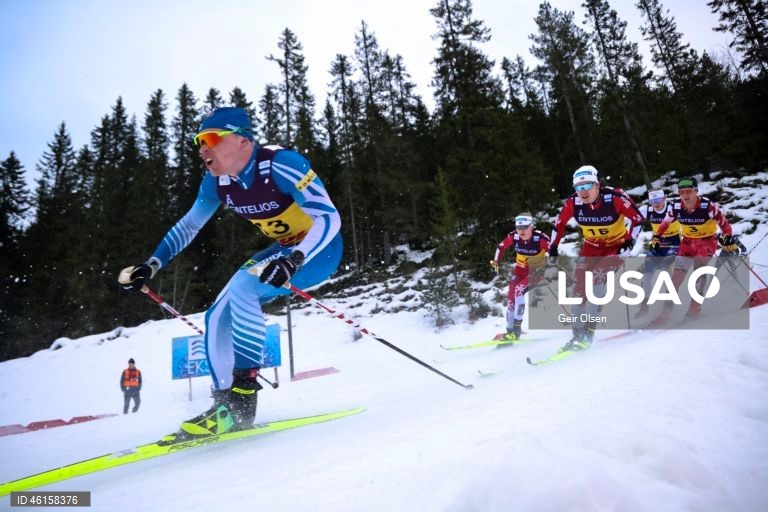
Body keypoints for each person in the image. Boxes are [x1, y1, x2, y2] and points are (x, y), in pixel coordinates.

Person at [118, 107, 342, 440]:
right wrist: (151, 264)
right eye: (199, 141)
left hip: (318, 250)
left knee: (242, 287)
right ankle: (224, 404)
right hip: (284, 250)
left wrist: (295, 259)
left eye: (211, 139)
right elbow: (190, 224)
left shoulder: (282, 164)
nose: (202, 148)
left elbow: (329, 218)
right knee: (216, 316)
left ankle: (243, 398)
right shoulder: (217, 183)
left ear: (241, 140)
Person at [549, 165, 644, 349]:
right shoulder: (573, 203)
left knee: (597, 279)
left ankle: (588, 333)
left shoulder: (615, 198)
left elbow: (638, 219)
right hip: (591, 248)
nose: (583, 192)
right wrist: (553, 246)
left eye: (587, 186)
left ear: (597, 185)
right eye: (578, 187)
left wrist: (630, 241)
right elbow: (559, 225)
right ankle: (577, 335)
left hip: (616, 248)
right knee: (579, 289)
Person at [650, 176, 739, 325]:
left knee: (699, 272)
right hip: (687, 243)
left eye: (689, 191)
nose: (685, 195)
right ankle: (664, 314)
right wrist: (657, 236)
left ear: (696, 192)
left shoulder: (708, 207)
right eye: (682, 192)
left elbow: (725, 225)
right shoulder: (676, 207)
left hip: (706, 242)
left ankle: (694, 309)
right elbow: (665, 223)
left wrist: (727, 237)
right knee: (676, 277)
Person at [490, 213, 550, 342]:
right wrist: (496, 261)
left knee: (518, 291)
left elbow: (552, 250)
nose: (521, 231)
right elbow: (501, 247)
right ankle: (510, 330)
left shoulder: (540, 238)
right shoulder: (514, 236)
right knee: (511, 296)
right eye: (519, 227)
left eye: (525, 227)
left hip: (535, 271)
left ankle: (516, 329)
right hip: (520, 270)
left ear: (531, 227)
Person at [635, 189, 681, 318]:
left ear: (664, 198)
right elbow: (631, 217)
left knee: (666, 271)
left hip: (673, 242)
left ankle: (668, 305)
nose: (656, 204)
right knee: (647, 275)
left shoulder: (673, 207)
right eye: (653, 201)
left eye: (659, 200)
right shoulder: (647, 210)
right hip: (657, 243)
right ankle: (645, 307)